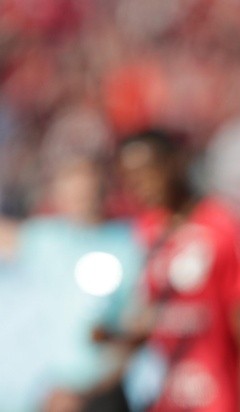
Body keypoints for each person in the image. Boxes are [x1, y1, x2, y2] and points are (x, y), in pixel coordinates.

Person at [107, 129, 240, 411]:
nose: (138, 185)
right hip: (164, 398)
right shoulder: (145, 231)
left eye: (146, 171)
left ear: (175, 163)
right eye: (129, 178)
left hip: (217, 397)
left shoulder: (223, 226)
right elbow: (151, 317)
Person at [0, 153, 143, 412]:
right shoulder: (46, 238)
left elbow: (137, 330)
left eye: (88, 192)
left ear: (104, 190)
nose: (81, 200)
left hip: (101, 395)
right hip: (46, 395)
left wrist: (89, 391)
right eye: (72, 193)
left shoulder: (128, 244)